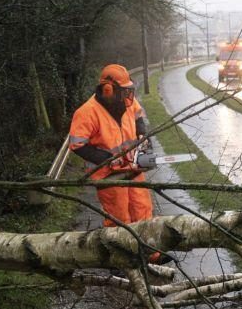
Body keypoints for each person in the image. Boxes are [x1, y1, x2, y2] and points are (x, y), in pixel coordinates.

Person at [69, 64, 169, 263]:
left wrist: (142, 136)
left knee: (143, 210)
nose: (128, 95)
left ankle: (150, 253)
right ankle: (121, 258)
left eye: (128, 90)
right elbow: (77, 144)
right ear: (108, 90)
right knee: (118, 218)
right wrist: (105, 158)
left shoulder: (127, 102)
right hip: (109, 175)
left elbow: (139, 115)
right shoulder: (87, 112)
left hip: (132, 167)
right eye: (124, 91)